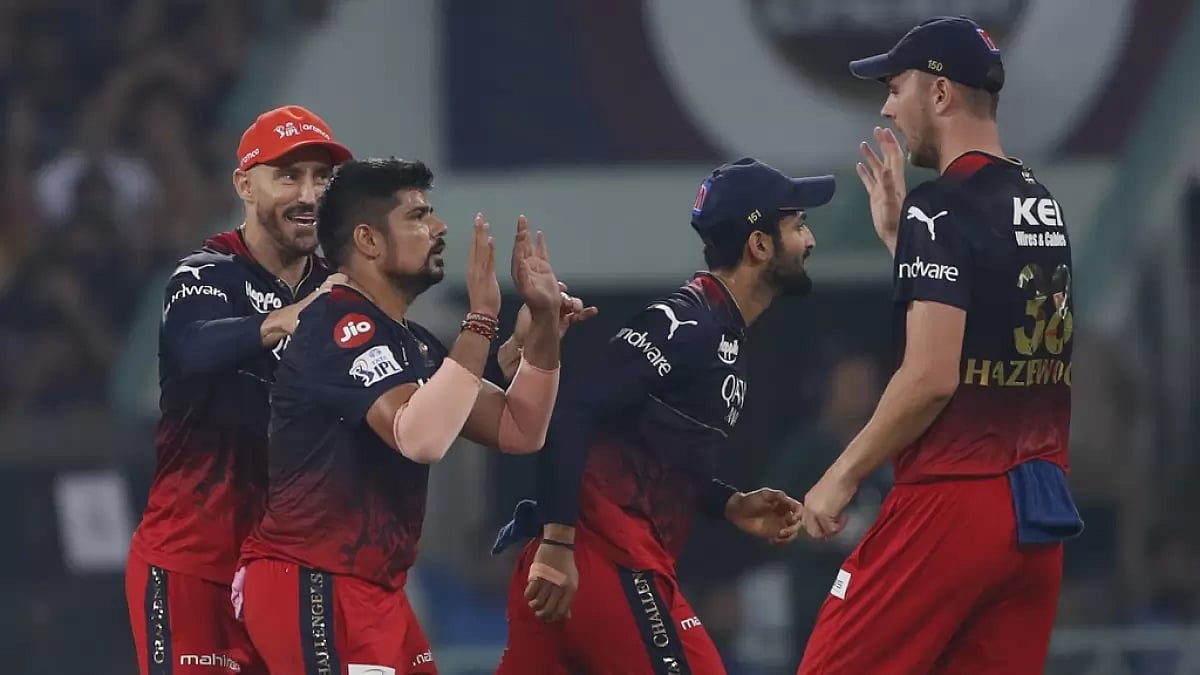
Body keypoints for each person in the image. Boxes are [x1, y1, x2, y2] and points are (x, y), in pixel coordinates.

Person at [797, 16, 1084, 675]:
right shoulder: (1040, 202)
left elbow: (931, 377)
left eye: (896, 88)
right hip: (1037, 517)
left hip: (949, 504)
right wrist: (903, 245)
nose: (887, 108)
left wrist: (841, 475)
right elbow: (991, 320)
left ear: (940, 92)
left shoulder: (941, 207)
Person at [237, 157, 589, 674]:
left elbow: (520, 428)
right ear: (368, 240)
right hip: (313, 583)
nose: (439, 227)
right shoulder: (339, 323)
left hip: (377, 590)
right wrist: (481, 318)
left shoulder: (411, 342)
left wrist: (542, 331)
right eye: (418, 216)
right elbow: (420, 437)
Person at [493, 157, 834, 674]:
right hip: (601, 558)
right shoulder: (688, 322)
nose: (809, 240)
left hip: (593, 559)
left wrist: (727, 503)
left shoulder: (722, 330)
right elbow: (575, 413)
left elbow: (649, 451)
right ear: (760, 245)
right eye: (799, 225)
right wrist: (560, 542)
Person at [125, 105, 351, 675]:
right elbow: (195, 348)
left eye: (322, 178)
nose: (309, 195)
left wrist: (503, 359)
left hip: (293, 573)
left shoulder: (341, 287)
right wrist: (286, 319)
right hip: (193, 564)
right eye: (289, 176)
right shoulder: (206, 272)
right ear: (245, 186)